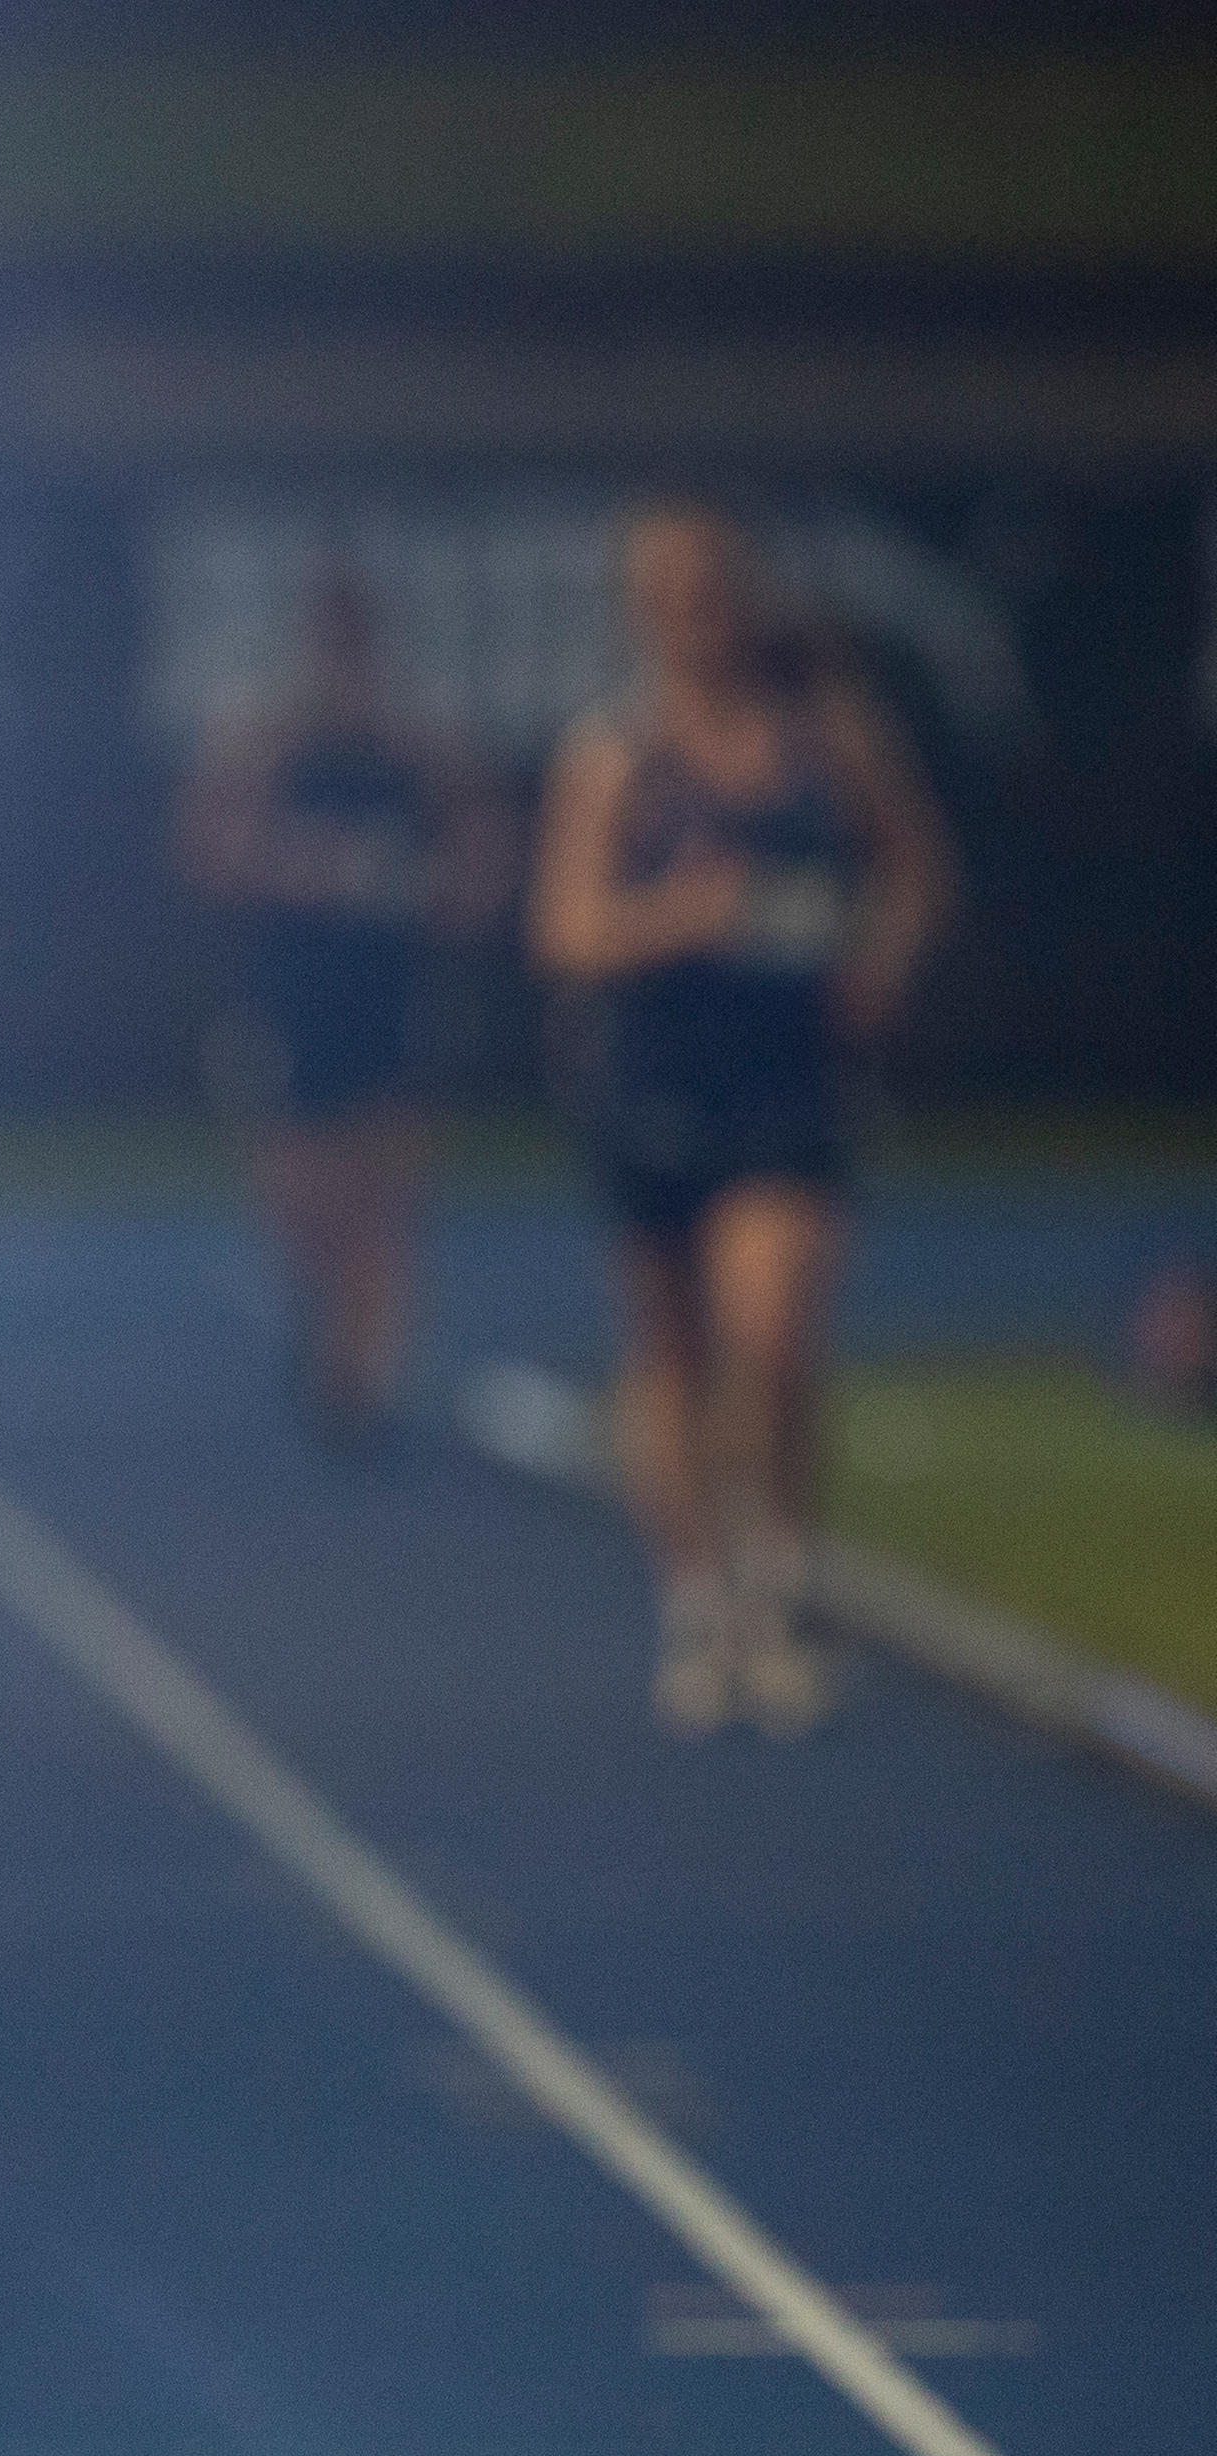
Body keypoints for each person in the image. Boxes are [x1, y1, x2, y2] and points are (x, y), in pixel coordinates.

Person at [530, 507, 952, 1737]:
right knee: (665, 1351)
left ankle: (778, 1566)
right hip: (654, 1081)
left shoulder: (826, 738)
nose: (693, 607)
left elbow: (916, 872)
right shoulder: (612, 754)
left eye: (710, 582)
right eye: (664, 587)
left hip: (788, 1081)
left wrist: (879, 953)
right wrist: (685, 917)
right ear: (635, 606)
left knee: (769, 1330)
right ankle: (693, 1595)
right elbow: (565, 933)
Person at [177, 563, 509, 1446]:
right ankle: (324, 1307)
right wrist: (307, 868)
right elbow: (212, 852)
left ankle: (364, 1374)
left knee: (388, 1194)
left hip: (393, 998)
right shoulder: (264, 738)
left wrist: (420, 883)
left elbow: (480, 866)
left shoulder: (419, 746)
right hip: (289, 1001)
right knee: (298, 1197)